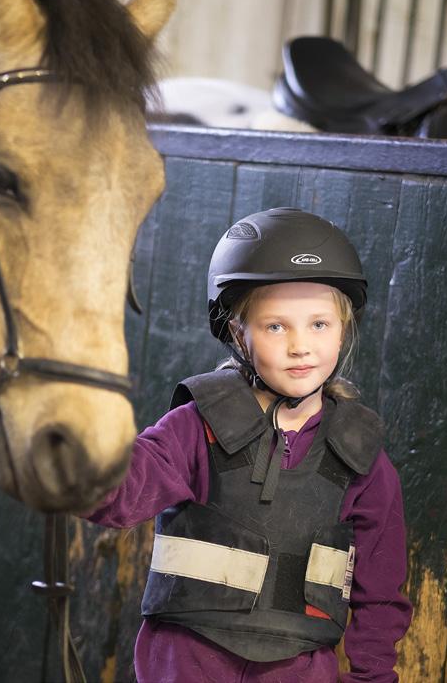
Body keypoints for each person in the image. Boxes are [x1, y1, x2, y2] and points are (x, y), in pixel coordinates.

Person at [84, 207, 412, 682]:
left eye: (319, 324)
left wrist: (372, 678)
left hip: (299, 669)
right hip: (187, 664)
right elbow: (117, 495)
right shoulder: (196, 427)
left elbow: (380, 594)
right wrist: (69, 453)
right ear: (238, 332)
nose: (301, 346)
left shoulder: (362, 459)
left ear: (344, 328)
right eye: (276, 326)